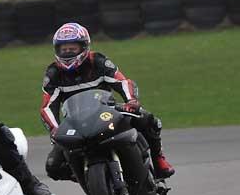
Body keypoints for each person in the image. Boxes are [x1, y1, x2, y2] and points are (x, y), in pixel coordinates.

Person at [41, 22, 175, 180]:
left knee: (148, 120)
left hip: (106, 112)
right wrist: (55, 129)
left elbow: (122, 82)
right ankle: (87, 178)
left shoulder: (98, 61)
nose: (68, 52)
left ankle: (159, 159)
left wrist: (131, 101)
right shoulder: (53, 73)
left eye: (72, 48)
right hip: (75, 123)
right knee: (53, 166)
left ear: (84, 47)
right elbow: (48, 106)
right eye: (64, 49)